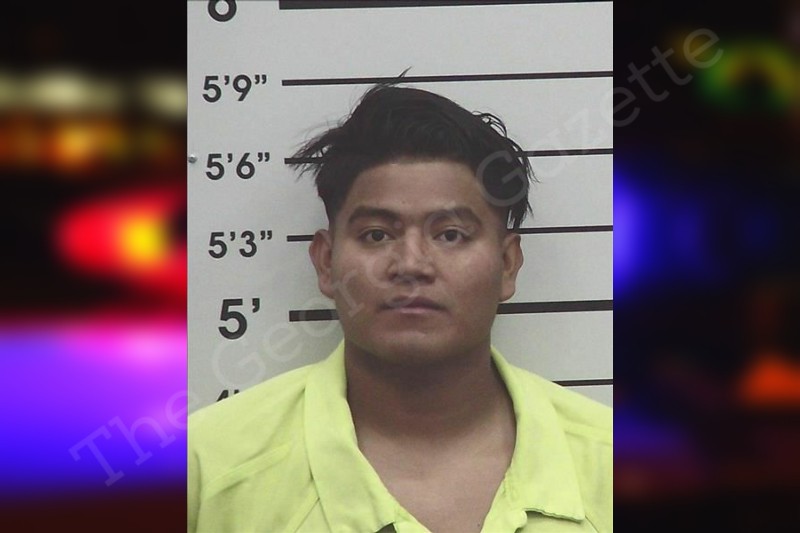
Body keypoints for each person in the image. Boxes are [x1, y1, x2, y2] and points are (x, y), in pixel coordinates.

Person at [188, 83, 612, 532]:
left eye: (450, 235)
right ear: (326, 262)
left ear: (508, 264)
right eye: (377, 234)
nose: (411, 265)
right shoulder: (206, 468)